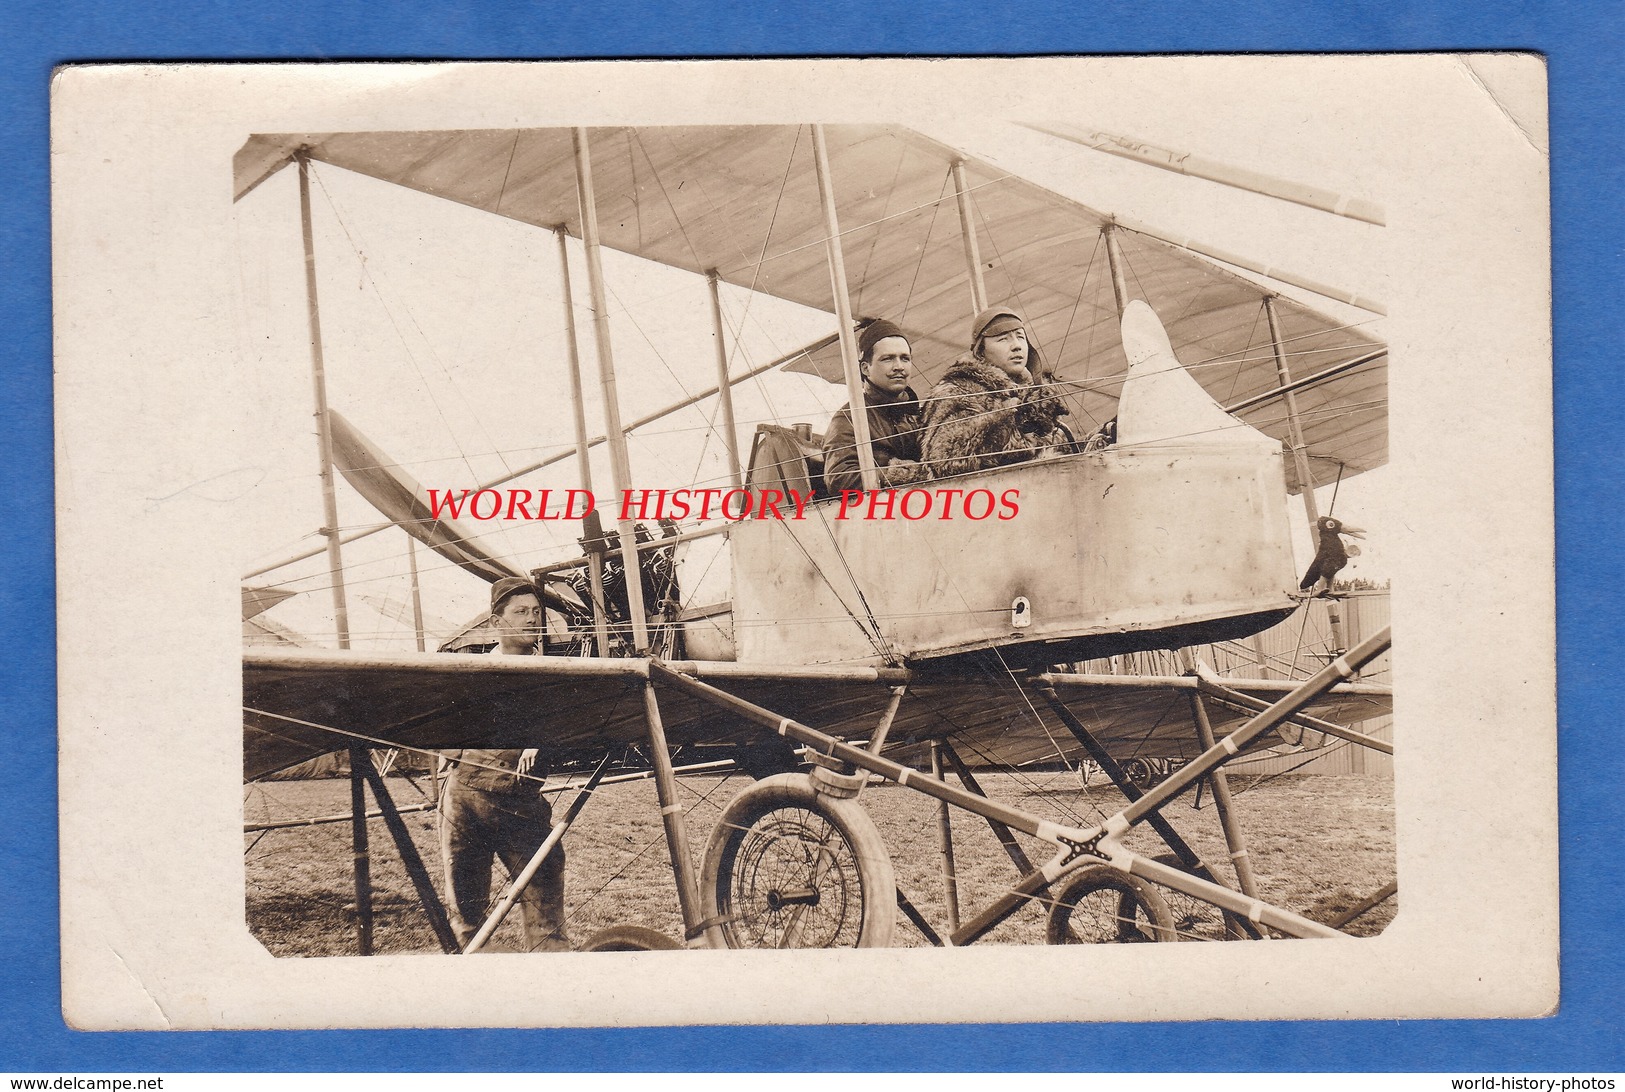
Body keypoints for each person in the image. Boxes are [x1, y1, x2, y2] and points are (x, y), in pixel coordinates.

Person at [439, 577, 570, 952]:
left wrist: (539, 742)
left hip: (518, 800)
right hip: (462, 799)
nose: (531, 619)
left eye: (537, 612)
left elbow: (567, 721)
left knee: (543, 898)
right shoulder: (471, 670)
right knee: (465, 908)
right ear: (496, 622)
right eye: (520, 612)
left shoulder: (551, 672)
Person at [920, 307, 1075, 478]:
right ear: (980, 350)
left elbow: (1061, 448)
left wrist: (1099, 438)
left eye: (1020, 337)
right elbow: (945, 461)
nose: (1016, 346)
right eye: (1003, 339)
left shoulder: (1034, 395)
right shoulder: (956, 391)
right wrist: (1011, 418)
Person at [821, 319, 928, 493]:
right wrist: (895, 474)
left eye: (905, 358)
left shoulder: (919, 416)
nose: (899, 367)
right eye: (887, 359)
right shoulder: (848, 418)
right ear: (865, 368)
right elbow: (838, 478)